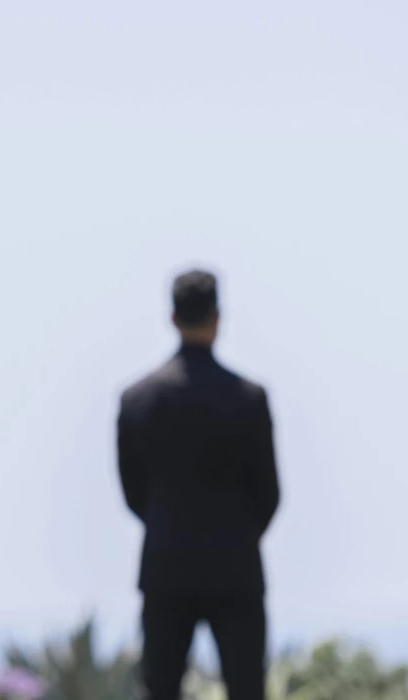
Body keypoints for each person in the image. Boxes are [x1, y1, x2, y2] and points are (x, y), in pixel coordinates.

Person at [117, 269, 279, 700]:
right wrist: (238, 534)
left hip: (166, 566)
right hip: (237, 567)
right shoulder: (249, 398)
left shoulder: (137, 399)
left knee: (160, 689)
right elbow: (269, 493)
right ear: (218, 316)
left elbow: (133, 492)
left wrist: (168, 526)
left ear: (173, 317)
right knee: (247, 689)